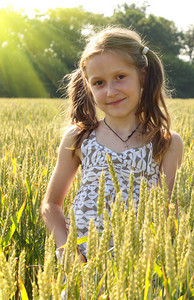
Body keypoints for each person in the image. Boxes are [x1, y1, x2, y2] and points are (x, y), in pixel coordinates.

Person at [41, 27, 184, 261]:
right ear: (88, 86)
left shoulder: (166, 142)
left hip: (138, 268)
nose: (111, 91)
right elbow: (51, 204)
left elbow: (168, 213)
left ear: (143, 75)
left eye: (120, 77)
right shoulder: (79, 138)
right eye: (98, 83)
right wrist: (66, 249)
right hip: (80, 265)